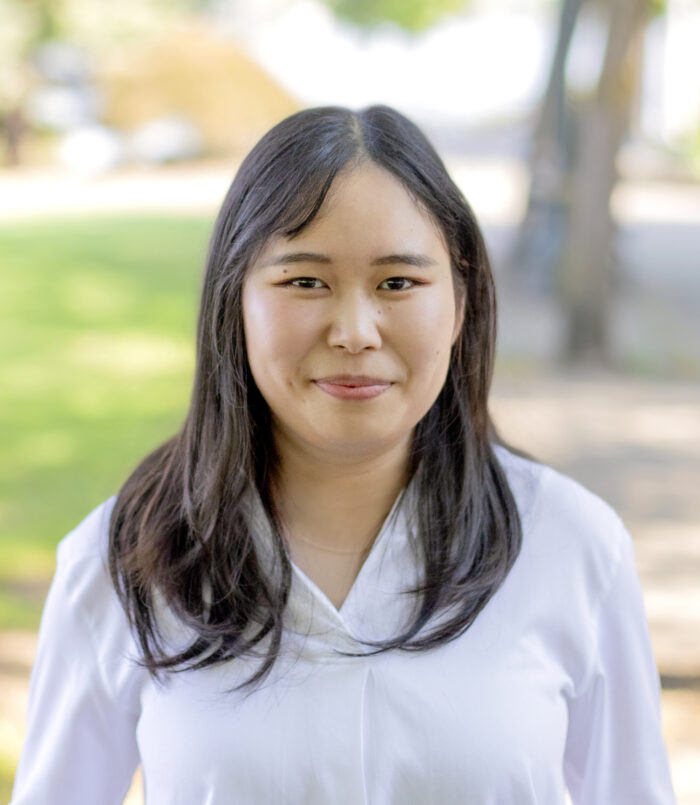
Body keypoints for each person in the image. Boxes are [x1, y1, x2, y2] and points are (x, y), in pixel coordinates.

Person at [11, 105, 676, 805]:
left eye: (398, 282)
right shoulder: (122, 560)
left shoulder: (572, 546)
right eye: (305, 281)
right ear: (233, 303)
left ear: (460, 304)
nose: (356, 331)